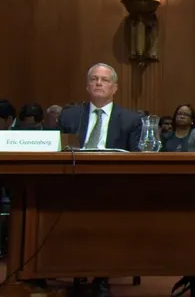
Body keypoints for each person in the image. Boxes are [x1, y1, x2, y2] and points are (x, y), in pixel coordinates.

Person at [59, 63, 141, 297]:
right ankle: (73, 270)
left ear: (114, 87)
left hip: (113, 185)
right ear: (87, 86)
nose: (98, 83)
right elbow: (58, 149)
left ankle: (101, 276)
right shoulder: (71, 115)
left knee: (106, 217)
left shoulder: (130, 119)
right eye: (94, 79)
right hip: (74, 181)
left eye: (104, 80)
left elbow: (136, 158)